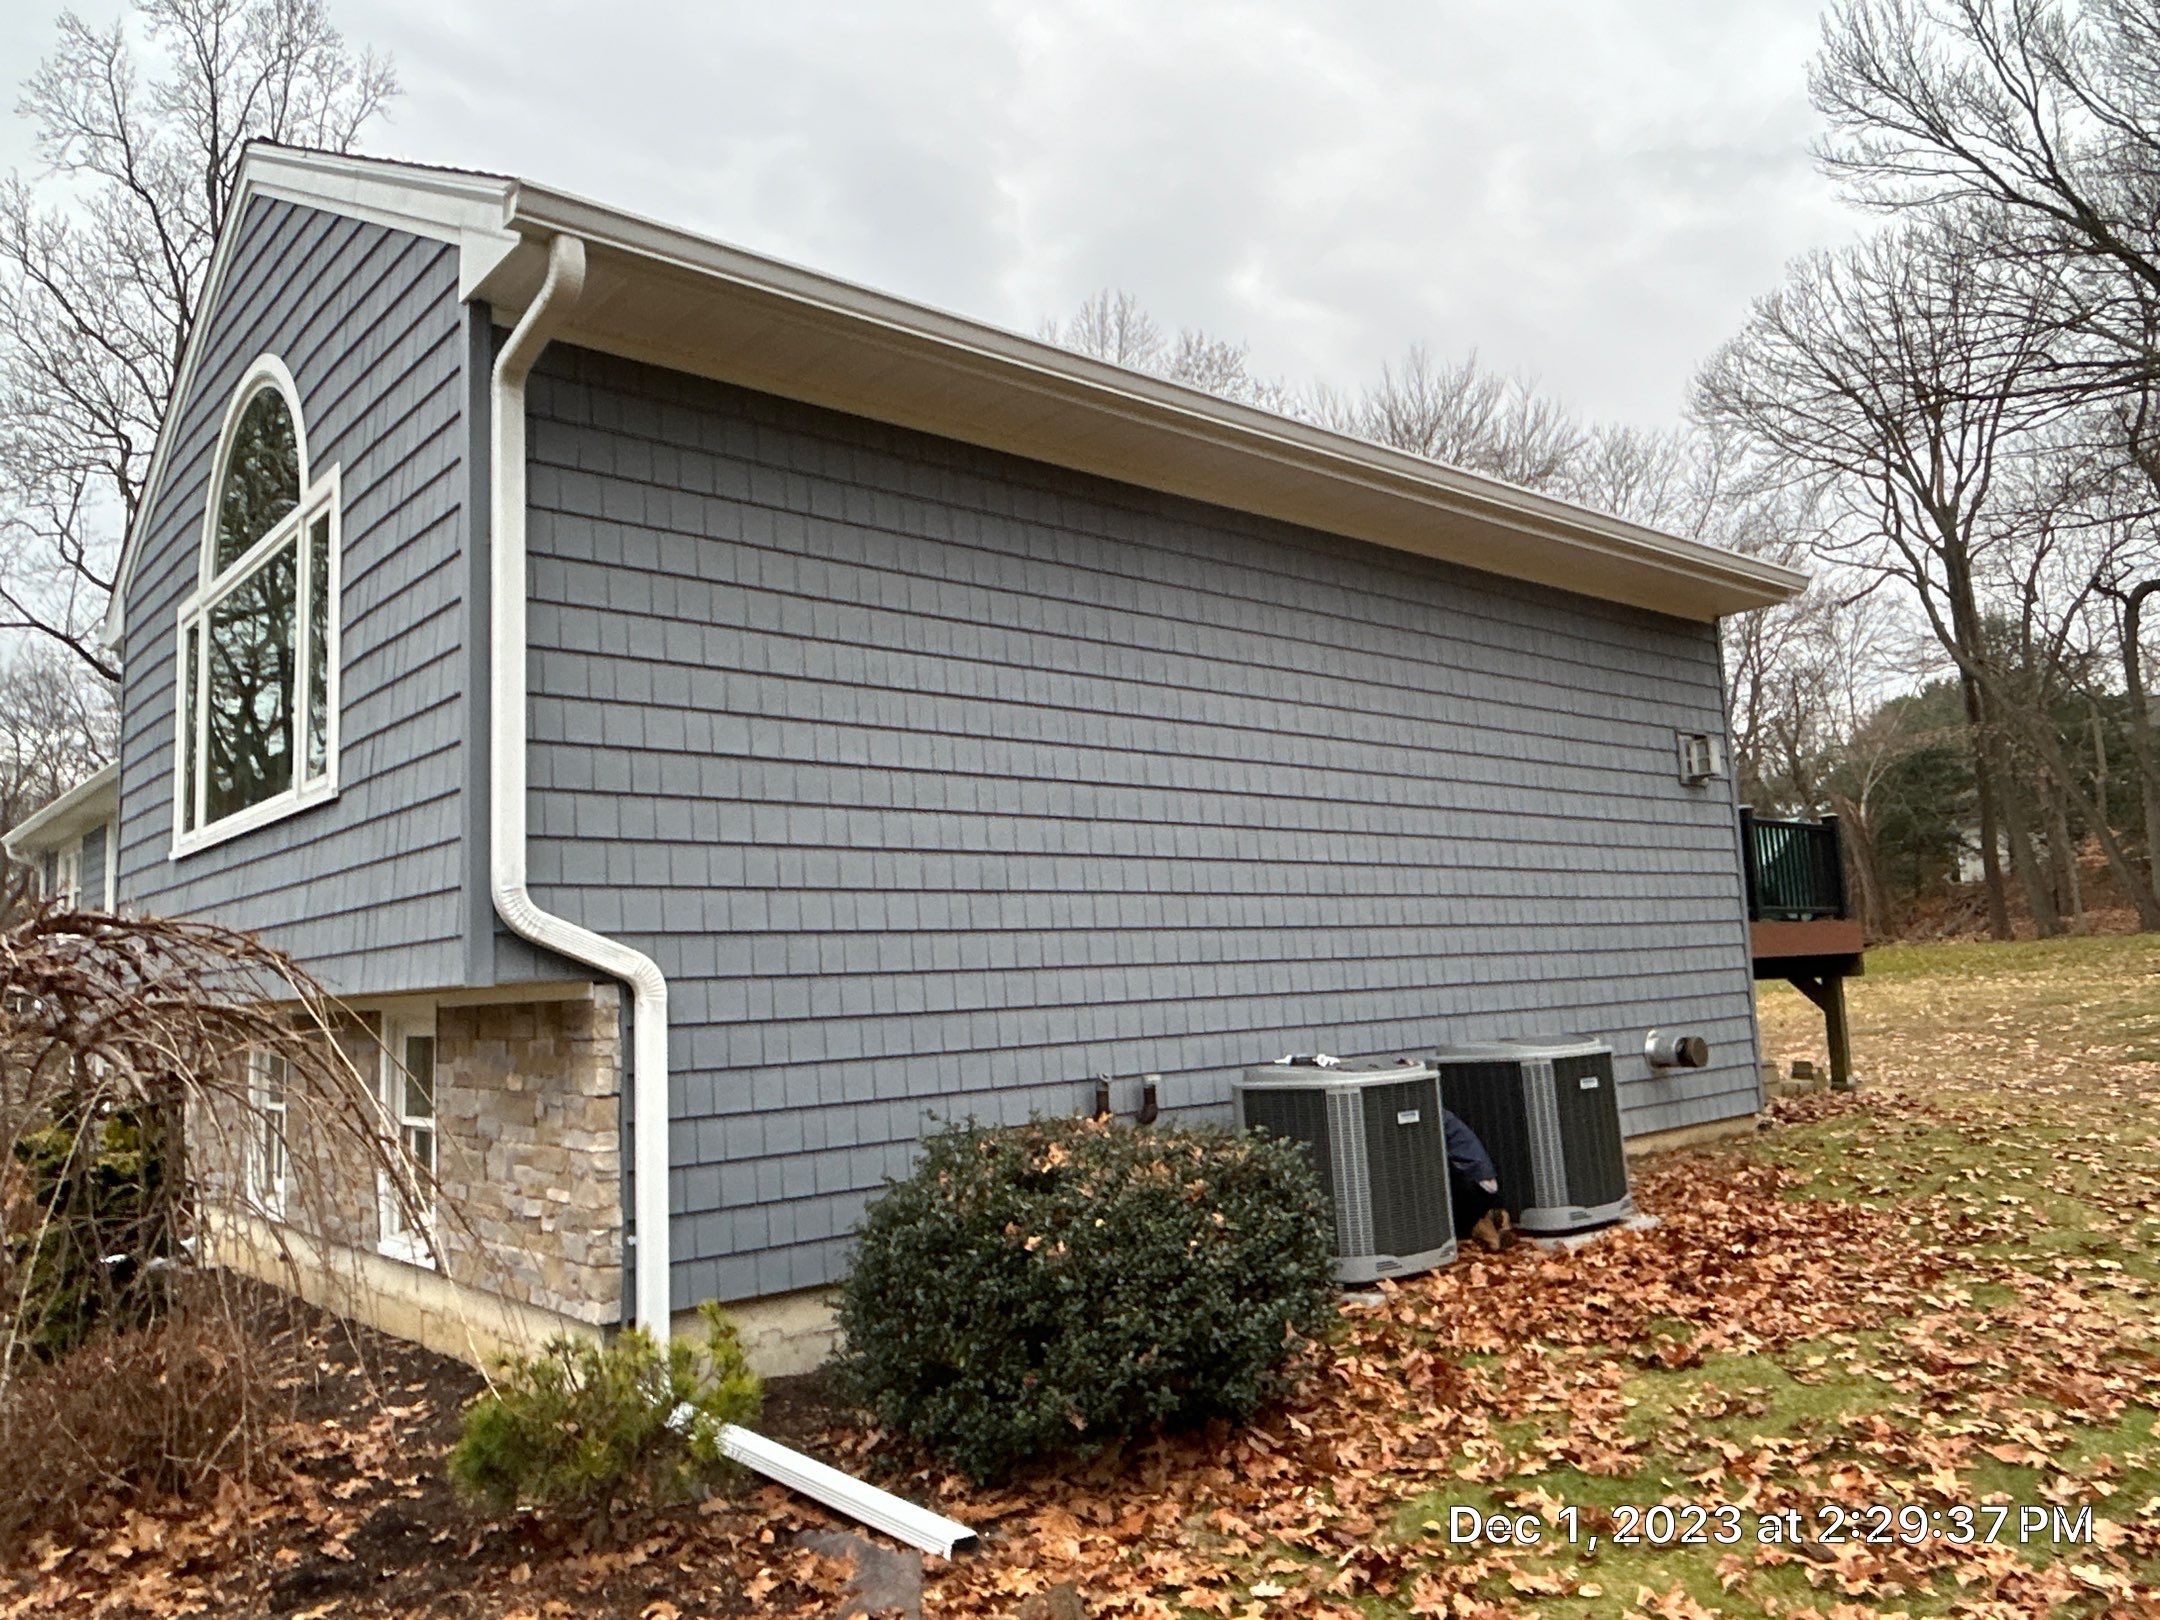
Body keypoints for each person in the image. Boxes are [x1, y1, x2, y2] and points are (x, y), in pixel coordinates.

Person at [1444, 1109, 1514, 1252]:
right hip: (1486, 1180)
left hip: (1470, 1185)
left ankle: (1482, 1227)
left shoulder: (1427, 1114)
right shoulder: (1442, 1113)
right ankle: (1495, 1212)